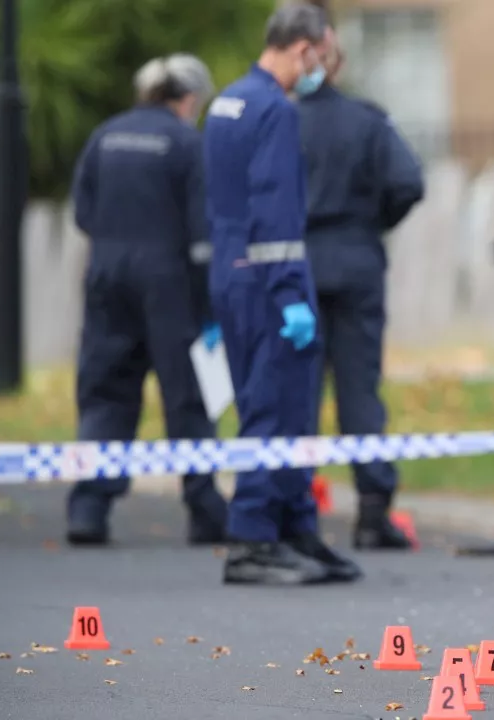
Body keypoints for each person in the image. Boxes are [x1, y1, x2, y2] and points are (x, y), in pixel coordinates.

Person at [202, 3, 361, 585]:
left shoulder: (226, 102)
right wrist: (293, 294)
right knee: (277, 411)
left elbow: (217, 206)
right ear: (303, 49)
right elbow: (275, 212)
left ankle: (295, 526)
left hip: (233, 279)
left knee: (266, 406)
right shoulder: (274, 110)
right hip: (271, 287)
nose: (322, 69)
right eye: (323, 56)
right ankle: (252, 539)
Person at [66, 53, 228, 547]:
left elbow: (82, 212)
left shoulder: (105, 135)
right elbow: (203, 234)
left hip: (108, 276)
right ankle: (205, 511)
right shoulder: (186, 143)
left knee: (105, 392)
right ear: (189, 98)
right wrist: (209, 309)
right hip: (169, 283)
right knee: (188, 398)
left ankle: (89, 510)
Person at [298, 41, 425, 550]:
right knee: (358, 391)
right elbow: (408, 182)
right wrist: (372, 224)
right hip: (355, 260)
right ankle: (372, 514)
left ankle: (294, 511)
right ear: (337, 64)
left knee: (297, 394)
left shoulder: (280, 120)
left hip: (296, 265)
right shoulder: (367, 121)